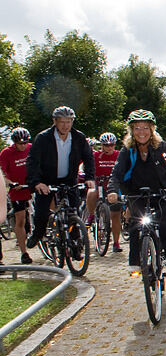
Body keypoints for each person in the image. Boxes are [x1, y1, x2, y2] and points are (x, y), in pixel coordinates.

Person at [107, 110, 166, 283]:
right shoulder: (127, 150)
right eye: (137, 128)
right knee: (136, 226)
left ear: (152, 129)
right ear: (131, 130)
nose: (141, 132)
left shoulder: (161, 147)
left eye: (145, 127)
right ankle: (135, 262)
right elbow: (116, 173)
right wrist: (112, 190)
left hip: (162, 193)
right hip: (137, 194)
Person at [25, 106, 95, 251]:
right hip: (46, 180)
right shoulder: (43, 138)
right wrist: (36, 182)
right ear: (55, 121)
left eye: (69, 121)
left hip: (69, 179)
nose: (65, 125)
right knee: (42, 212)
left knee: (74, 211)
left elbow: (88, 158)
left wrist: (89, 177)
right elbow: (33, 161)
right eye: (62, 122)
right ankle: (38, 233)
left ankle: (75, 242)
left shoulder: (79, 137)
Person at [0, 128, 34, 264]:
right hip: (18, 190)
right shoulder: (6, 154)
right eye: (20, 143)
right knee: (20, 220)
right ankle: (24, 252)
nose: (23, 145)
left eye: (25, 142)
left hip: (32, 186)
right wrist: (11, 183)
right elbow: (3, 174)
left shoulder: (31, 149)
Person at [86, 132, 123, 252]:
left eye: (111, 145)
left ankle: (116, 243)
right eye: (106, 145)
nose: (109, 147)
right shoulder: (95, 155)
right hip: (100, 185)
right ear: (101, 145)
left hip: (114, 187)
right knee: (91, 192)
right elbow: (87, 168)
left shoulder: (119, 155)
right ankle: (91, 215)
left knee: (115, 215)